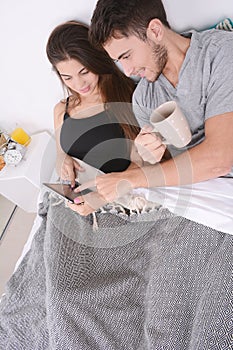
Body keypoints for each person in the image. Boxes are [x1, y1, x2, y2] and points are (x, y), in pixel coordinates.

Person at [77, 0, 233, 206]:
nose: (128, 71)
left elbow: (219, 159)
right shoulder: (143, 98)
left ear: (155, 31)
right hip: (197, 194)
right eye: (119, 61)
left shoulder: (220, 52)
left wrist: (134, 178)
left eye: (127, 56)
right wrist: (150, 156)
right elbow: (168, 168)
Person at [46, 20, 141, 214]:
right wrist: (63, 159)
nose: (79, 83)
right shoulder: (61, 110)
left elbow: (142, 163)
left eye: (84, 72)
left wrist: (101, 198)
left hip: (121, 197)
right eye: (67, 78)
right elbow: (60, 154)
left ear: (96, 60)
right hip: (80, 198)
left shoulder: (126, 98)